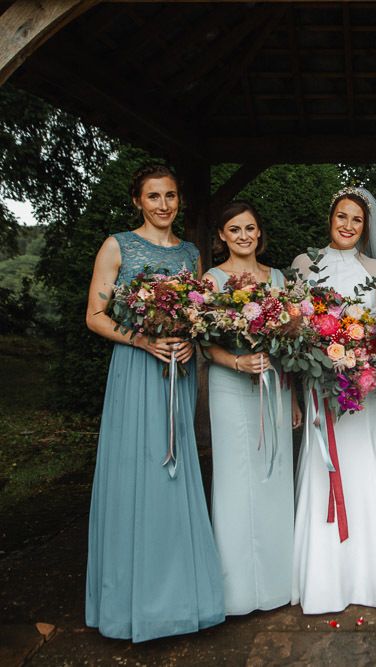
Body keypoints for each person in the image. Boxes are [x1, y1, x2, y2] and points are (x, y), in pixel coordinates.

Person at [85, 164, 224, 642]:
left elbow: (200, 315)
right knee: (137, 474)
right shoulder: (117, 245)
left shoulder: (190, 253)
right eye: (153, 196)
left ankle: (181, 598)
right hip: (137, 371)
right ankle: (132, 603)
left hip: (178, 373)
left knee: (175, 475)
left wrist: (190, 339)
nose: (163, 205)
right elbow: (95, 315)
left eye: (170, 196)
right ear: (137, 201)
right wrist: (142, 340)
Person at [291, 187, 376, 614]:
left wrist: (363, 362)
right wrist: (319, 359)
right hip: (320, 382)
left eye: (356, 219)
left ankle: (364, 576)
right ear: (329, 219)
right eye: (341, 216)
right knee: (323, 468)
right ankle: (323, 577)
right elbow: (295, 326)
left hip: (363, 388)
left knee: (361, 467)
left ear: (366, 226)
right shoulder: (304, 263)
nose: (348, 225)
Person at [204, 201, 301, 616]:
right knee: (233, 482)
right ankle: (237, 591)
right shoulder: (211, 279)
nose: (244, 235)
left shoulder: (278, 278)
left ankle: (278, 585)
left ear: (260, 233)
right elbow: (203, 342)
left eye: (250, 228)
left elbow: (293, 345)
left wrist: (293, 395)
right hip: (231, 383)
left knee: (272, 476)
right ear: (222, 236)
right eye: (234, 229)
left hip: (274, 385)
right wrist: (237, 361)